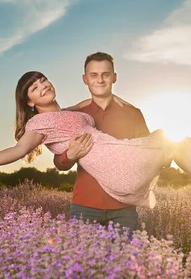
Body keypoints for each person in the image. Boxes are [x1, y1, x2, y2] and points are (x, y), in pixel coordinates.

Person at [0, 71, 191, 213]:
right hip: (118, 168)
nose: (42, 86)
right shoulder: (38, 123)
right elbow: (19, 149)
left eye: (43, 80)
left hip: (123, 157)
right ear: (30, 101)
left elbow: (96, 99)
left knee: (174, 146)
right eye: (34, 88)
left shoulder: (73, 112)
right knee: (168, 140)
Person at [53, 52, 150, 235]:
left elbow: (147, 154)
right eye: (93, 75)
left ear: (114, 77)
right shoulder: (73, 116)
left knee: (122, 262)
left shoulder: (134, 114)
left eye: (105, 74)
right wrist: (70, 155)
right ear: (85, 79)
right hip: (85, 206)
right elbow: (59, 163)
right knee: (81, 263)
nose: (100, 80)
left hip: (124, 209)